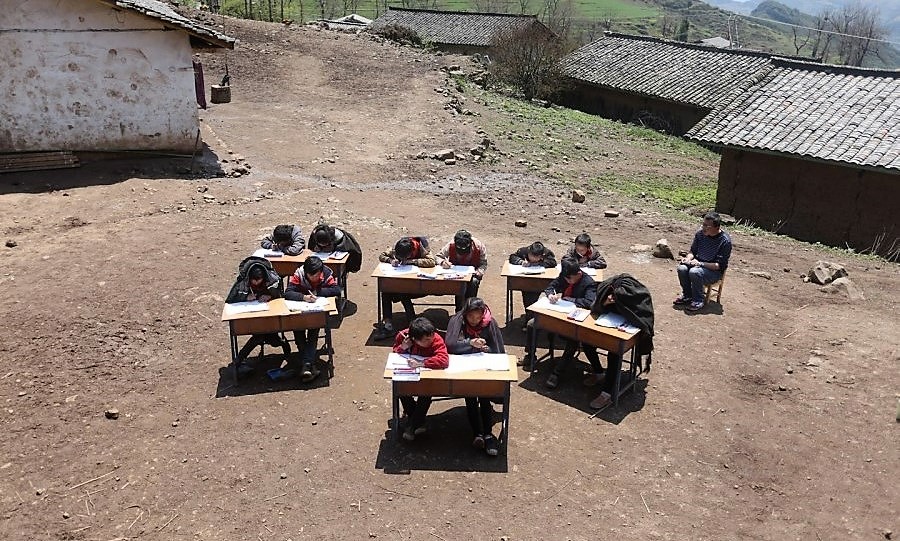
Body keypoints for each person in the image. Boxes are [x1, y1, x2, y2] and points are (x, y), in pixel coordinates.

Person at [445, 297, 505, 457]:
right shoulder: (457, 320)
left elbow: (498, 350)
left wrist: (486, 350)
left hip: (484, 368)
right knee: (470, 395)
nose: (474, 320)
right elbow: (450, 345)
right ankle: (477, 433)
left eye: (478, 317)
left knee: (484, 397)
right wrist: (470, 343)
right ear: (465, 314)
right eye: (471, 316)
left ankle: (488, 435)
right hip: (463, 368)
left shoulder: (490, 323)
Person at [587, 274, 655, 410]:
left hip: (625, 331)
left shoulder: (636, 296)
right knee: (586, 341)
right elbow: (594, 308)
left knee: (614, 352)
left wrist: (630, 324)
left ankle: (606, 393)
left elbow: (643, 320)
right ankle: (599, 373)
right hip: (607, 324)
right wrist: (605, 303)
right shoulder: (606, 289)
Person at [225, 256, 291, 374]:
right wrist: (245, 297)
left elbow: (281, 296)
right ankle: (282, 344)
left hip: (269, 314)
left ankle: (239, 359)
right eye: (253, 281)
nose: (256, 283)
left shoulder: (273, 280)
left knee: (263, 336)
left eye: (259, 280)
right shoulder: (242, 282)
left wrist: (270, 296)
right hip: (251, 317)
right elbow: (230, 300)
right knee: (261, 335)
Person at [541, 258, 598, 389]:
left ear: (578, 273)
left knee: (573, 341)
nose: (567, 281)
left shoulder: (589, 283)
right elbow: (550, 287)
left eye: (570, 279)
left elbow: (589, 302)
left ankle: (557, 373)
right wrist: (550, 295)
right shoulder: (565, 275)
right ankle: (530, 357)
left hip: (576, 320)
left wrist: (570, 299)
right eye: (565, 278)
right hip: (559, 314)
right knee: (532, 325)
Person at [284, 256, 341, 381]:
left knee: (313, 334)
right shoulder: (299, 274)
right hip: (299, 312)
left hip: (316, 312)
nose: (314, 278)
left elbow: (336, 290)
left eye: (316, 275)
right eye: (311, 276)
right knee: (299, 335)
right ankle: (309, 364)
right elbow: (288, 292)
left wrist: (317, 292)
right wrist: (303, 297)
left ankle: (306, 364)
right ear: (305, 272)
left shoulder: (326, 273)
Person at [393, 317, 449, 441]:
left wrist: (421, 363)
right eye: (426, 340)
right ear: (414, 339)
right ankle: (419, 422)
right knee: (401, 390)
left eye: (431, 337)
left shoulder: (436, 339)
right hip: (408, 375)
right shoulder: (403, 336)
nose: (431, 340)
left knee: (426, 393)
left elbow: (443, 360)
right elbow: (395, 354)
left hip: (428, 377)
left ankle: (412, 426)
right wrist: (402, 348)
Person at [374, 236, 436, 340]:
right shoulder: (397, 247)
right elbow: (382, 256)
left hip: (418, 286)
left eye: (404, 258)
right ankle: (388, 325)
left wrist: (412, 261)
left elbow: (431, 261)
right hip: (400, 282)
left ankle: (412, 323)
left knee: (403, 292)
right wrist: (390, 260)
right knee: (386, 292)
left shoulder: (422, 246)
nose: (402, 260)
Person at [674, 212, 732, 311]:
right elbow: (693, 251)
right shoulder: (700, 234)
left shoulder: (725, 241)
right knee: (682, 268)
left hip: (713, 272)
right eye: (703, 224)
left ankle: (698, 300)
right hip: (698, 265)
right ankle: (687, 295)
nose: (703, 228)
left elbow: (718, 266)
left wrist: (700, 264)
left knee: (694, 272)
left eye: (707, 226)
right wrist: (688, 259)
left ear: (716, 227)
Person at [436, 230, 488, 311]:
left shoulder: (479, 247)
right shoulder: (450, 245)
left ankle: (470, 309)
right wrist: (443, 262)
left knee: (473, 283)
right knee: (459, 287)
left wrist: (479, 271)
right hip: (455, 275)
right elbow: (438, 257)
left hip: (473, 274)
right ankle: (459, 311)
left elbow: (483, 263)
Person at [508, 241, 558, 326]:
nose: (532, 259)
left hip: (540, 280)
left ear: (541, 256)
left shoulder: (547, 253)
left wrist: (539, 263)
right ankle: (529, 317)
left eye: (536, 257)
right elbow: (512, 257)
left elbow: (553, 262)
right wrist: (521, 262)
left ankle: (534, 319)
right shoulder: (524, 251)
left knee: (535, 298)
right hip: (526, 280)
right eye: (531, 256)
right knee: (527, 299)